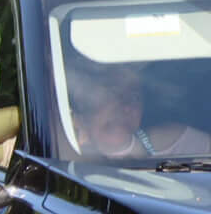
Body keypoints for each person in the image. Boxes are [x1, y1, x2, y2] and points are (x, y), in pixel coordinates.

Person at [63, 54, 211, 161]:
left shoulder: (172, 144)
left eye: (135, 97)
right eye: (114, 94)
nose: (126, 107)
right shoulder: (58, 157)